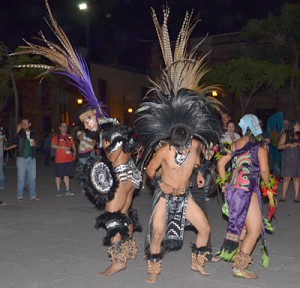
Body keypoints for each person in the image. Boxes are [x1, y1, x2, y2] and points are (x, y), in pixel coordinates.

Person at [79, 105, 142, 277]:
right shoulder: (113, 127)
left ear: (96, 115)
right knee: (124, 213)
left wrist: (105, 180)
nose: (86, 126)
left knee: (112, 217)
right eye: (84, 123)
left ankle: (118, 262)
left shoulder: (108, 132)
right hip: (132, 174)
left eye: (87, 120)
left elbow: (113, 160)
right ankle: (129, 250)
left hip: (121, 175)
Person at [217, 114, 270, 279]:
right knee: (254, 230)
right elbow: (264, 171)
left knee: (244, 226)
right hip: (246, 190)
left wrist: (224, 183)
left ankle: (237, 254)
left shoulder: (234, 144)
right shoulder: (259, 146)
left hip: (233, 189)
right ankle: (239, 267)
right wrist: (268, 186)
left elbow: (220, 163)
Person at [4, 118, 40, 202]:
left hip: (31, 158)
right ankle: (20, 196)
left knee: (32, 178)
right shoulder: (19, 134)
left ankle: (33, 196)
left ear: (29, 124)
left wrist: (35, 144)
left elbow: (38, 145)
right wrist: (17, 131)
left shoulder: (34, 133)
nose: (24, 124)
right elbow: (14, 141)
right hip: (21, 158)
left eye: (26, 123)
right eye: (22, 123)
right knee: (21, 177)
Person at [277, 120, 300, 202]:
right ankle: (283, 197)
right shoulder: (285, 135)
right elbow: (279, 146)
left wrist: (298, 144)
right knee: (287, 178)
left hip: (297, 158)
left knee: (296, 177)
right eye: (298, 125)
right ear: (293, 126)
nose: (299, 126)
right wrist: (288, 145)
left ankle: (296, 197)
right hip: (287, 158)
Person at [51, 123, 76, 196]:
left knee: (66, 174)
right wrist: (63, 148)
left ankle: (67, 189)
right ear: (59, 127)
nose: (64, 128)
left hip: (69, 159)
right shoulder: (56, 137)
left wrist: (74, 154)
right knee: (58, 175)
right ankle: (58, 190)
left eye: (65, 126)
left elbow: (73, 145)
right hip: (60, 159)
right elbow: (53, 145)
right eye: (63, 126)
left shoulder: (70, 137)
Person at [76, 126, 96, 194]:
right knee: (83, 171)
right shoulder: (80, 132)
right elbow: (80, 138)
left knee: (92, 170)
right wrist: (82, 131)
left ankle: (92, 187)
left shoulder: (92, 132)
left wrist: (84, 140)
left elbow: (93, 143)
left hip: (91, 153)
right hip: (82, 154)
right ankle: (83, 187)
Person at [0, 127, 6, 191]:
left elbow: (2, 140)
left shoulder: (2, 137)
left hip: (0, 157)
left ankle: (2, 185)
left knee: (1, 172)